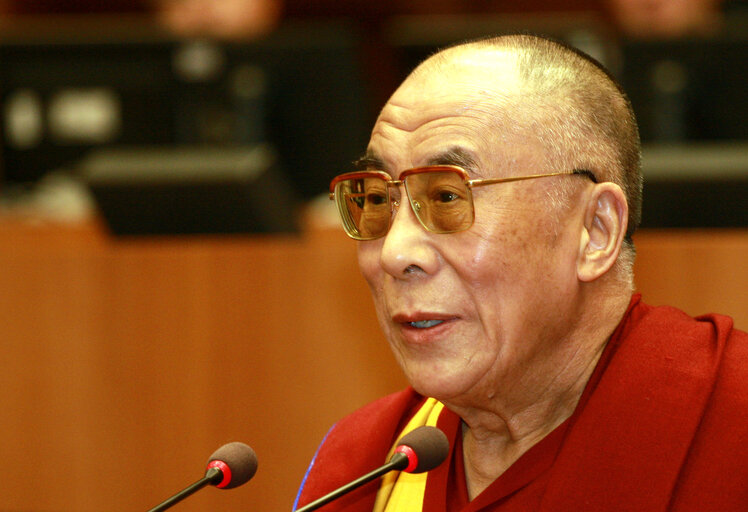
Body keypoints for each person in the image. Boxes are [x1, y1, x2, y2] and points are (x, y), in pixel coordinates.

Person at [293, 34, 748, 511]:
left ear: (595, 230)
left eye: (448, 196)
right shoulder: (366, 466)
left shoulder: (728, 417)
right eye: (378, 199)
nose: (394, 253)